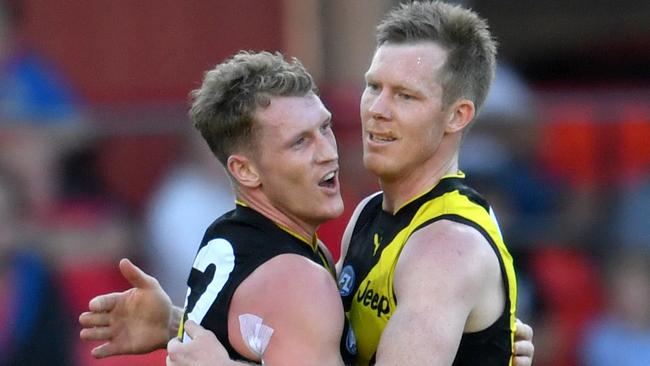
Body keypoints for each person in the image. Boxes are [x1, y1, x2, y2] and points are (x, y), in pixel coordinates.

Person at [80, 3, 535, 364]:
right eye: (373, 86)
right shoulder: (369, 215)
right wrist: (178, 327)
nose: (377, 109)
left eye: (405, 96)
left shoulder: (445, 251)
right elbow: (303, 337)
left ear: (458, 116)